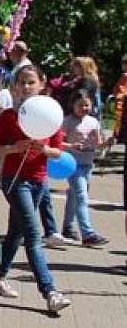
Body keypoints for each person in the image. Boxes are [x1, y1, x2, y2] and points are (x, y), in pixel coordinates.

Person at [0, 63, 73, 313]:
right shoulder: (8, 116)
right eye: (21, 82)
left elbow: (57, 151)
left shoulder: (51, 113)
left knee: (16, 233)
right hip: (14, 181)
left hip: (39, 181)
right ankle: (50, 291)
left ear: (42, 84)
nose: (25, 87)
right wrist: (14, 148)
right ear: (14, 86)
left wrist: (43, 150)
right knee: (33, 236)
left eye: (30, 82)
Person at [60, 89, 111, 246]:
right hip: (73, 164)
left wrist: (106, 143)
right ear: (72, 105)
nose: (83, 108)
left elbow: (98, 145)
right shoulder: (67, 121)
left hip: (88, 164)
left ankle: (68, 228)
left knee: (74, 196)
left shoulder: (93, 122)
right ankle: (88, 234)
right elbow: (56, 142)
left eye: (86, 105)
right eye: (79, 105)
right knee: (82, 197)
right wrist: (71, 146)